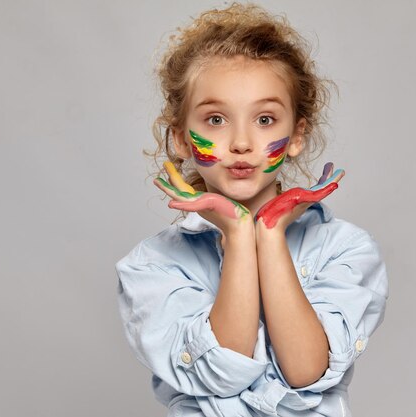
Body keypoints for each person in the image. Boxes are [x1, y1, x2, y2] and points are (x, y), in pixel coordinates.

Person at [115, 3, 389, 416]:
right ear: (182, 139)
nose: (241, 142)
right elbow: (221, 373)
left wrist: (270, 231)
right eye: (215, 119)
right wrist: (240, 236)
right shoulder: (152, 267)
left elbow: (305, 370)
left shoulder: (345, 249)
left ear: (297, 135)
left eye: (264, 119)